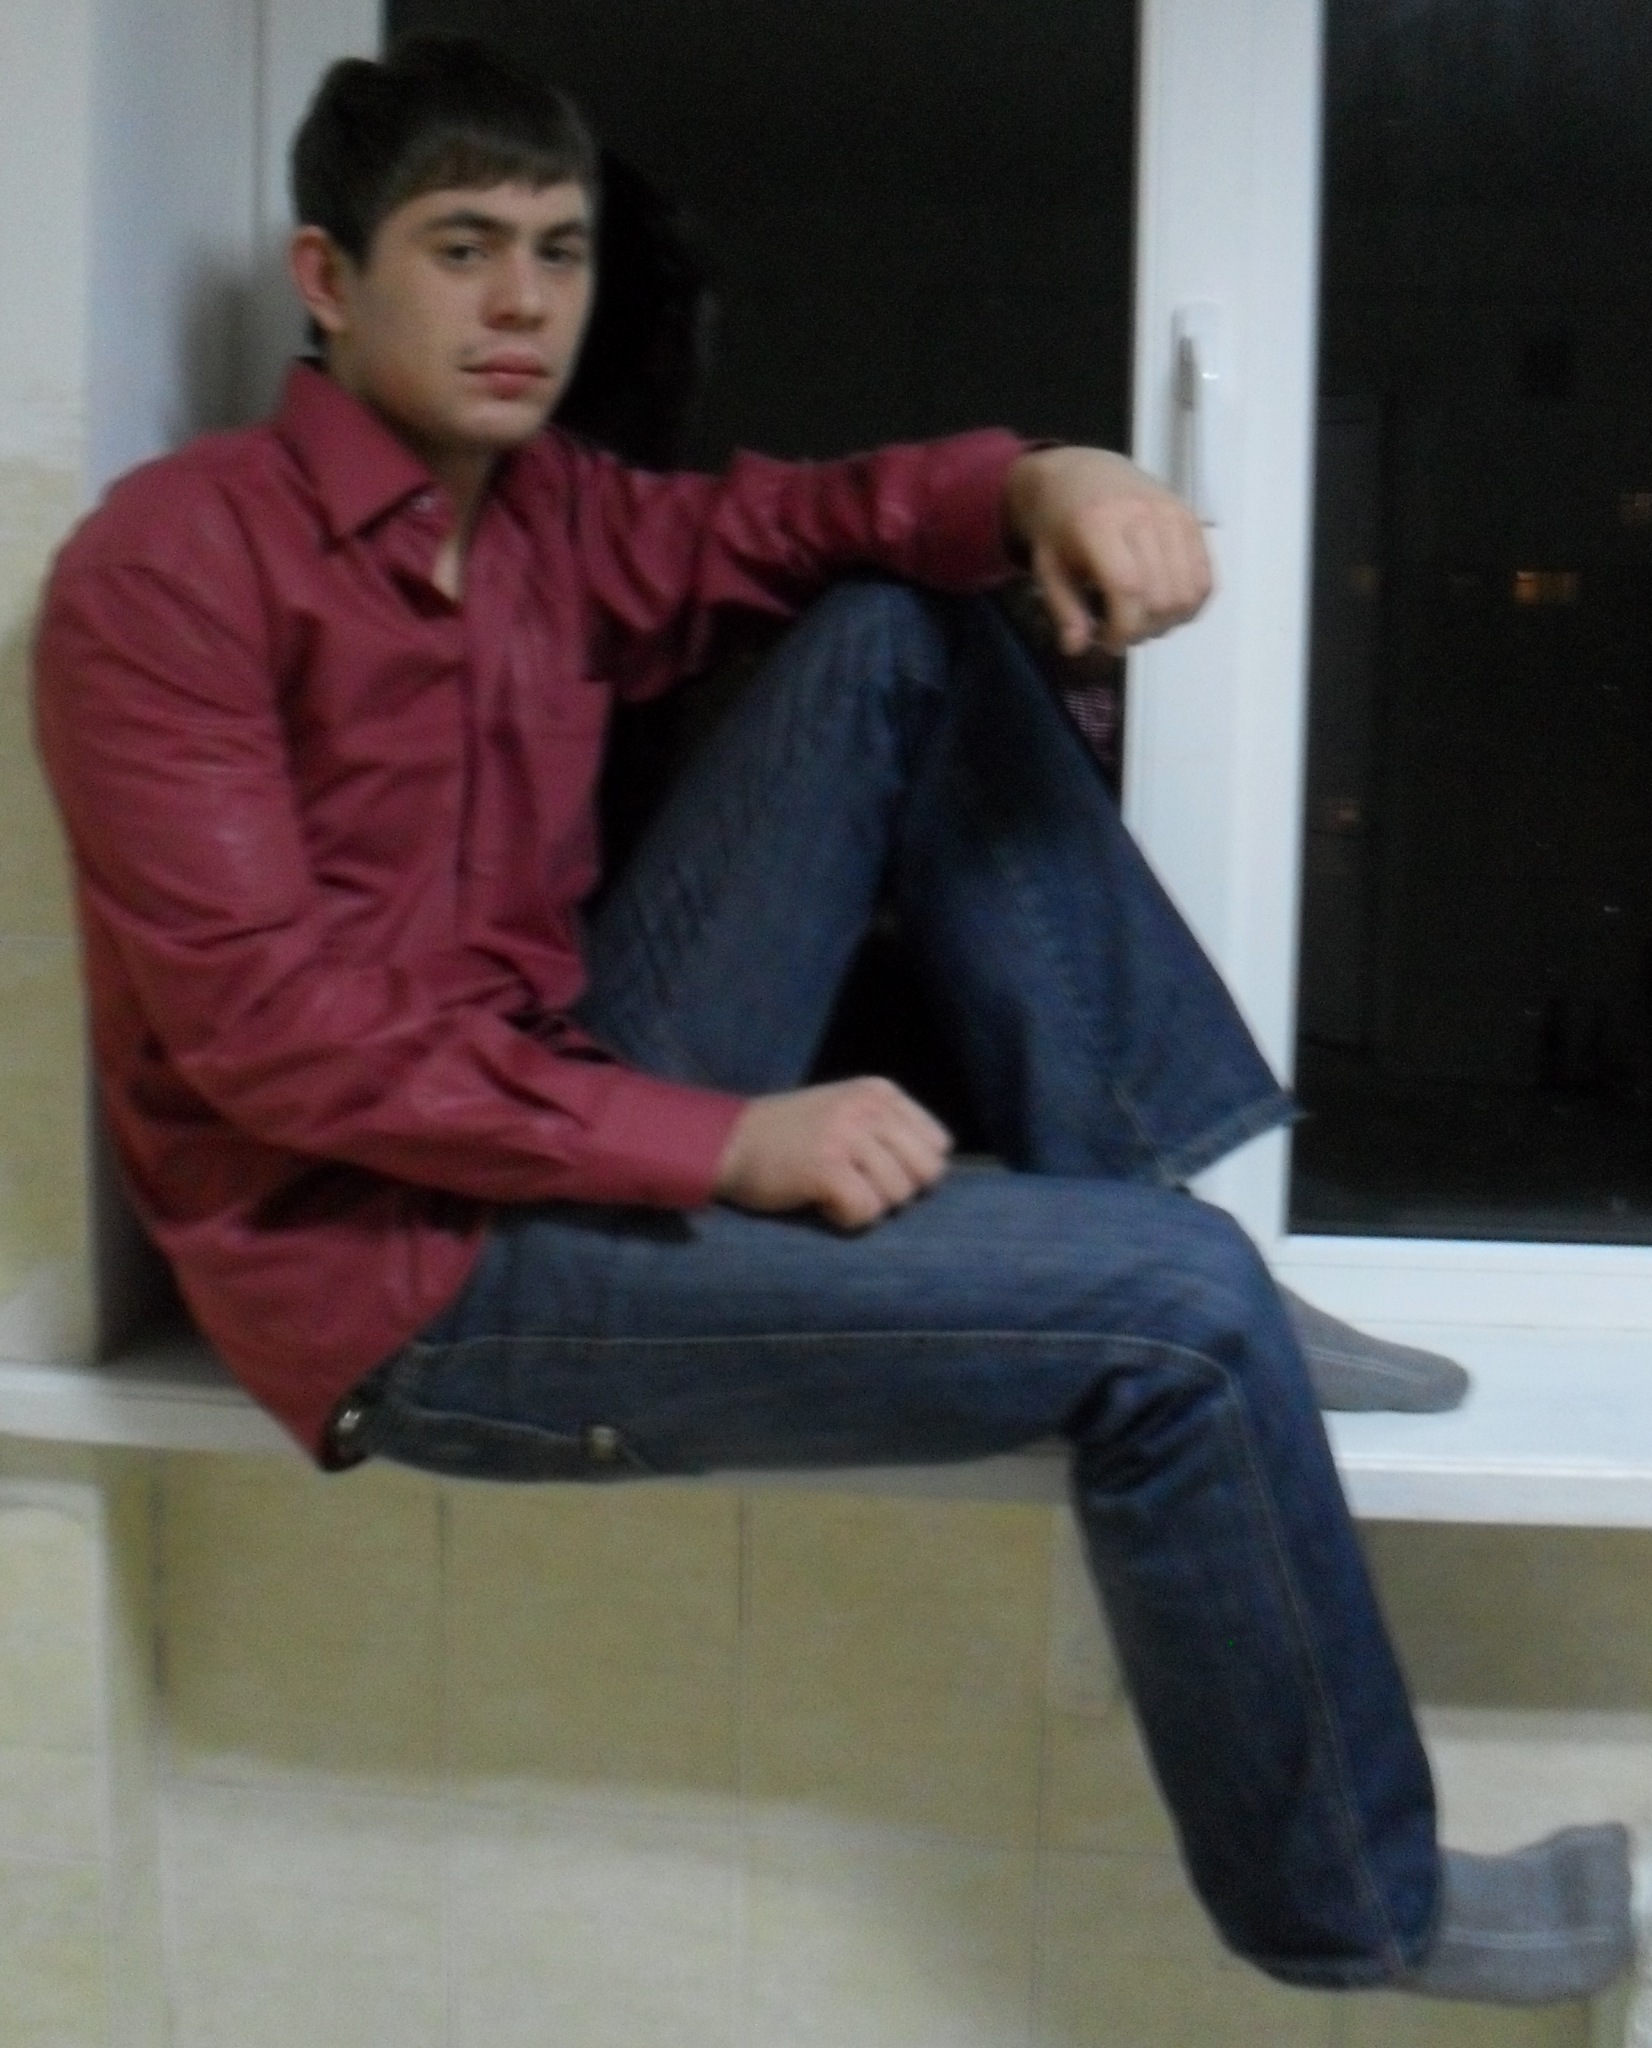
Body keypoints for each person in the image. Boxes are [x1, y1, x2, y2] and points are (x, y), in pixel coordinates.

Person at [33, 31, 1640, 2012]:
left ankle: (1128, 1170)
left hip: (553, 1101)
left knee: (894, 619)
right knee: (1179, 1311)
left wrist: (1047, 474)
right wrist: (722, 1141)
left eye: (558, 249)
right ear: (328, 276)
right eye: (461, 248)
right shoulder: (170, 563)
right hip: (406, 1280)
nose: (523, 302)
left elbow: (807, 520)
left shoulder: (546, 519)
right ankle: (1365, 1911)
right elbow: (272, 1042)